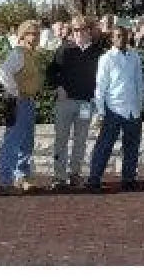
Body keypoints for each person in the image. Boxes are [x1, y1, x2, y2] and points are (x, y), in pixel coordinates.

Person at [46, 16, 102, 190]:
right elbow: (51, 72)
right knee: (61, 140)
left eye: (81, 29)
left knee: (81, 140)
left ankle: (75, 174)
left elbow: (102, 79)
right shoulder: (64, 49)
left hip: (86, 103)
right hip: (66, 102)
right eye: (75, 30)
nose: (78, 33)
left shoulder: (98, 52)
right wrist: (59, 87)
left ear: (88, 31)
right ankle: (59, 176)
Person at [86, 26, 144, 192]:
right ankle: (94, 179)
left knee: (132, 146)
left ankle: (128, 179)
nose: (121, 38)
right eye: (118, 36)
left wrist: (140, 106)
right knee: (104, 146)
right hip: (113, 109)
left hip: (133, 110)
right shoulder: (106, 58)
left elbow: (139, 82)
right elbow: (100, 87)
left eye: (124, 35)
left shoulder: (135, 56)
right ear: (111, 39)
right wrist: (101, 111)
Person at [0, 20, 43, 193]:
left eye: (38, 33)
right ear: (23, 35)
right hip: (18, 102)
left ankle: (21, 178)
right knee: (13, 141)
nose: (36, 36)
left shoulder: (31, 53)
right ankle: (5, 181)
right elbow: (3, 72)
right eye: (33, 33)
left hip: (28, 101)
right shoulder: (18, 53)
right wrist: (16, 91)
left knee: (26, 142)